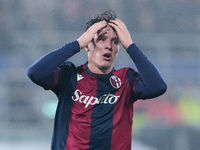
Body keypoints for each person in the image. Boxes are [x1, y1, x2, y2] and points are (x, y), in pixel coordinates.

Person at [27, 10, 167, 150]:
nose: (109, 46)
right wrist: (78, 43)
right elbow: (36, 73)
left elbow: (157, 87)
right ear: (88, 44)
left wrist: (130, 46)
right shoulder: (69, 76)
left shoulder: (126, 80)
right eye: (101, 39)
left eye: (115, 41)